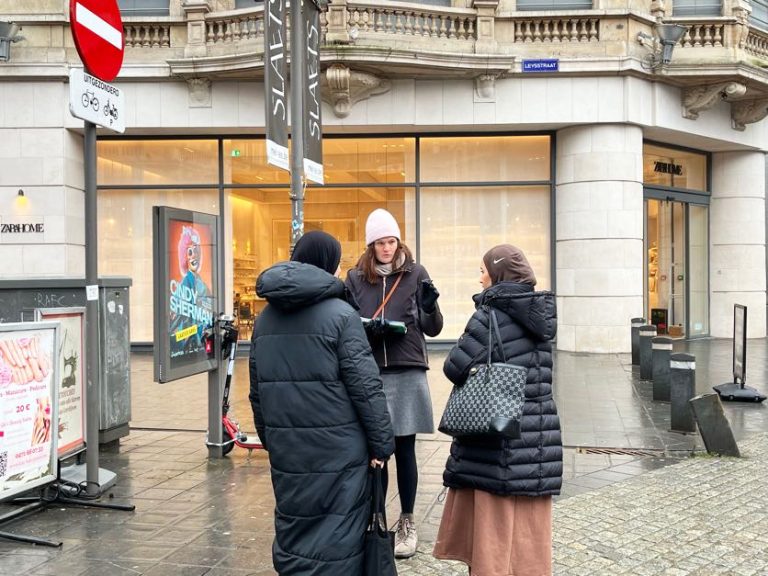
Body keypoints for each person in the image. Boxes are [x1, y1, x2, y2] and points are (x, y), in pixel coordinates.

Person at [249, 230, 395, 575]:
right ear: (329, 264)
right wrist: (382, 445)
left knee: (295, 525)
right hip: (339, 450)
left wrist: (273, 439)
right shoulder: (341, 316)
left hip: (289, 448)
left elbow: (257, 392)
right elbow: (366, 389)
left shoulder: (264, 319)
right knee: (339, 533)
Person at [433, 244, 562, 576]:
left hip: (495, 441)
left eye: (482, 270)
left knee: (491, 541)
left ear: (497, 272)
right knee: (527, 543)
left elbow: (454, 367)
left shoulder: (490, 315)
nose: (479, 279)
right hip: (536, 442)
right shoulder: (540, 315)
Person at [345, 208, 443, 558]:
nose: (387, 248)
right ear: (371, 246)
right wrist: (366, 329)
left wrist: (430, 308)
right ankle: (378, 519)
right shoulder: (356, 277)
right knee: (377, 452)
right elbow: (345, 324)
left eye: (391, 241)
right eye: (380, 243)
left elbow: (434, 328)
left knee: (404, 449)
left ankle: (408, 520)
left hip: (407, 369)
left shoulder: (416, 273)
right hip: (372, 372)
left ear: (398, 241)